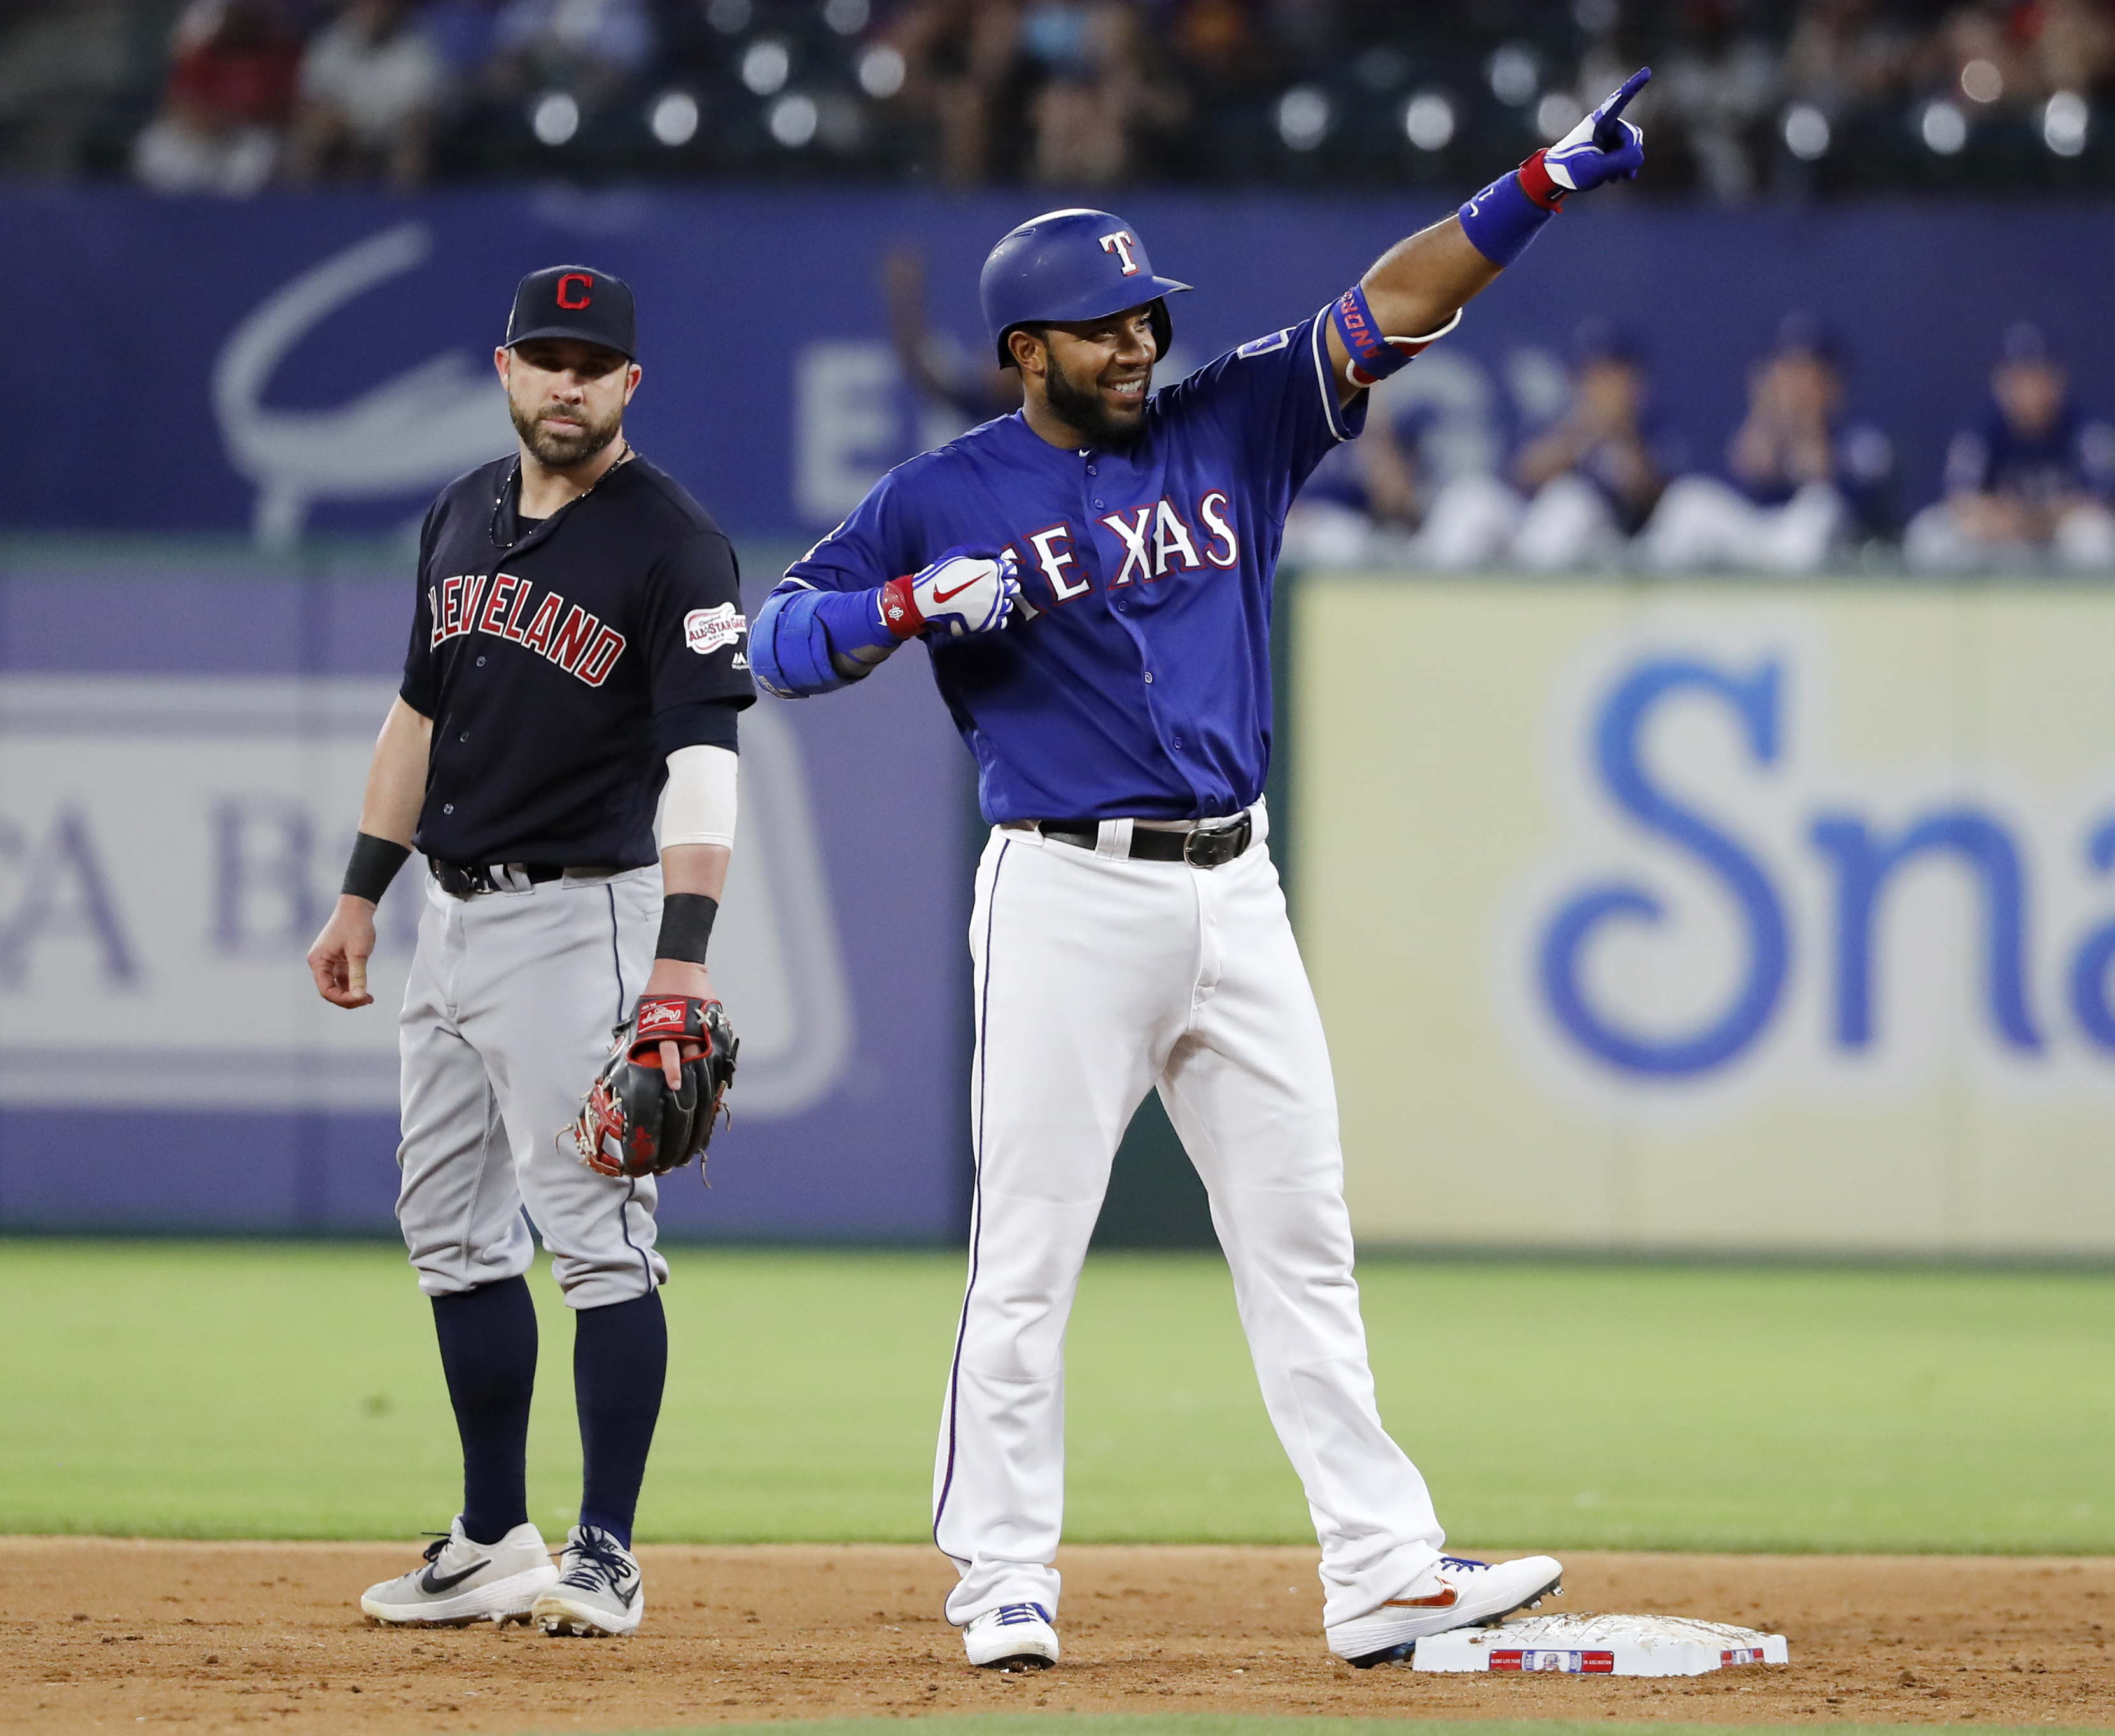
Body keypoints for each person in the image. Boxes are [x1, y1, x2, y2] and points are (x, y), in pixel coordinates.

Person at [747, 71, 1656, 1670]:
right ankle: (1001, 1575)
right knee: (1026, 1251)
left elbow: (1384, 311)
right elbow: (772, 640)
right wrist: (896, 610)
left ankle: (1378, 1566)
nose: (1138, 342)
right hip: (1062, 892)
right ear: (1026, 350)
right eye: (1103, 326)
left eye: (1143, 314)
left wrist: (1537, 185)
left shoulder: (1233, 417)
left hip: (1235, 888)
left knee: (1300, 1236)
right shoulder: (942, 493)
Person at [304, 265, 753, 1637]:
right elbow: (414, 720)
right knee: (446, 1225)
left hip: (585, 921)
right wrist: (360, 895)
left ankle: (604, 1546)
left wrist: (680, 958)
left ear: (629, 385)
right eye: (543, 357)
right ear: (504, 371)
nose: (566, 381)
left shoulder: (673, 541)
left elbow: (703, 764)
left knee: (599, 1239)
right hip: (449, 913)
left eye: (591, 361)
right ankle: (494, 1532)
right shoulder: (456, 514)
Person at [1640, 311, 1892, 572]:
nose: (1796, 386)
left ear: (1832, 384)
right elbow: (1741, 489)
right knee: (1687, 500)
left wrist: (1810, 433)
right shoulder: (1759, 429)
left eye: (1809, 374)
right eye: (1788, 371)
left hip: (1829, 559)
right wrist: (1764, 423)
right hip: (1761, 540)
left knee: (1821, 506)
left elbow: (1865, 508)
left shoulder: (1860, 439)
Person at [1413, 319, 1675, 570]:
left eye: (1611, 374)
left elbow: (1651, 496)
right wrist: (1587, 430)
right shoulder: (1564, 417)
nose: (1600, 384)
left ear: (1634, 379)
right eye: (1592, 374)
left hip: (1630, 547)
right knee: (1470, 497)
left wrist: (1621, 432)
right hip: (1538, 537)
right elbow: (1524, 473)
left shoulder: (1651, 423)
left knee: (1570, 505)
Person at [1906, 321, 2115, 572]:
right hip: (2003, 537)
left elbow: (2097, 501)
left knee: (2094, 535)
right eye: (2019, 378)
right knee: (1929, 534)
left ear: (2058, 381)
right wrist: (2006, 520)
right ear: (2001, 383)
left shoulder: (2087, 430)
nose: (2029, 389)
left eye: (2038, 376)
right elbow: (1961, 500)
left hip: (2058, 536)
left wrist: (2031, 520)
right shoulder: (1982, 430)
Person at [130, 0, 300, 197]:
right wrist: (216, 120)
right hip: (203, 136)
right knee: (156, 147)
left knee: (256, 155)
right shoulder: (206, 53)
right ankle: (172, 220)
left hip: (248, 137)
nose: (240, 19)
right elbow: (179, 104)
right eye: (234, 13)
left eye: (246, 12)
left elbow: (285, 108)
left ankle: (240, 221)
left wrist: (235, 118)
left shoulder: (280, 54)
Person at [284, 0, 451, 187]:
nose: (373, 11)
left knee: (412, 150)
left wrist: (373, 127)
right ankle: (303, 210)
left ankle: (402, 213)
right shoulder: (329, 43)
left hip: (395, 133)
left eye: (380, 5)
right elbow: (312, 103)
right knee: (308, 140)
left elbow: (418, 113)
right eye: (365, 4)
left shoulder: (418, 46)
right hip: (345, 130)